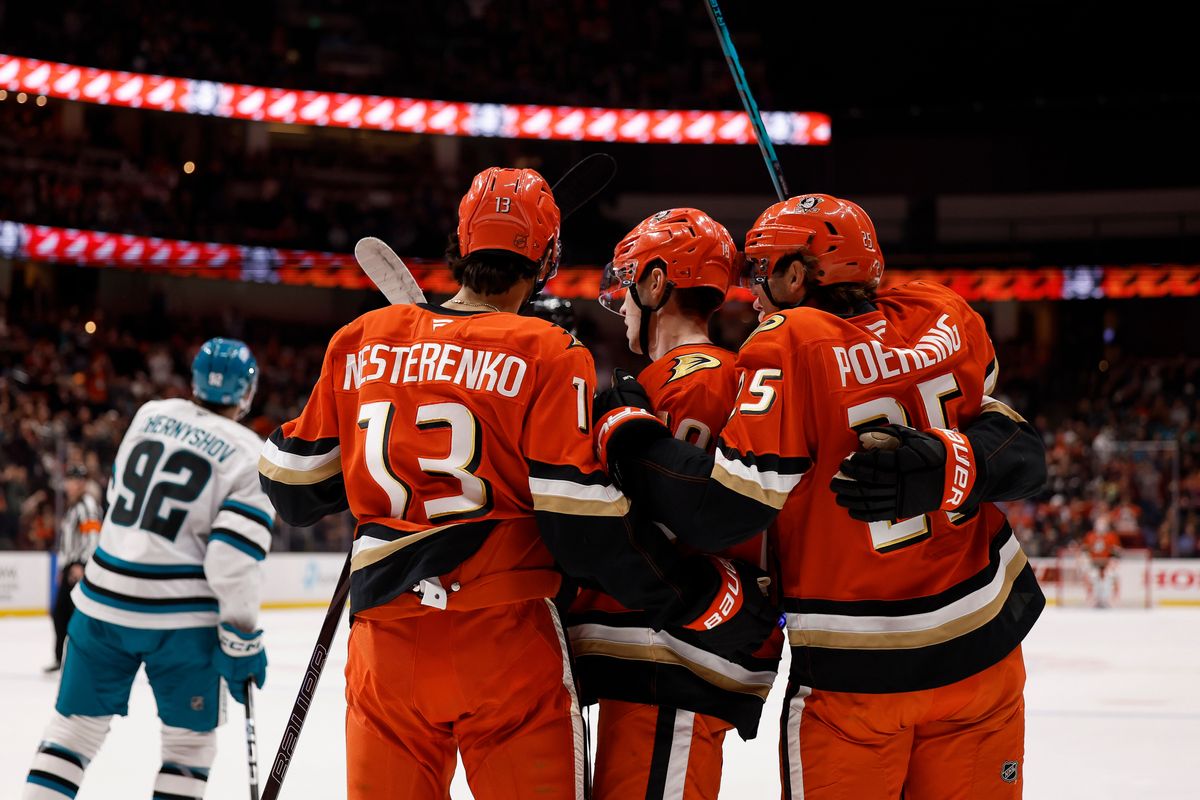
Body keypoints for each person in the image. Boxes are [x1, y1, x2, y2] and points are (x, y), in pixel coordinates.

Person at [258, 167, 777, 800]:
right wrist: (695, 595)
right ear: (547, 261)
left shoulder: (360, 340)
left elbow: (292, 489)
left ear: (461, 244)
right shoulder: (548, 349)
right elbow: (582, 529)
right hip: (507, 639)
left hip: (385, 644)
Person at [592, 194, 1048, 799]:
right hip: (985, 649)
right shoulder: (939, 310)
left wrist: (629, 432)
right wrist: (950, 463)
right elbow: (1017, 445)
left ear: (795, 276)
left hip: (857, 672)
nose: (751, 294)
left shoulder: (787, 339)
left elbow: (723, 510)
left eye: (761, 271)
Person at [573, 207, 784, 800]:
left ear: (656, 283)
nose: (621, 304)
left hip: (670, 653)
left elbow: (655, 519)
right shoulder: (738, 374)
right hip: (679, 652)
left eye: (627, 283)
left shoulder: (680, 382)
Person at [24, 338, 273, 800]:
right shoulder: (250, 453)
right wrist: (242, 637)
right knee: (188, 748)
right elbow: (230, 560)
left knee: (71, 735)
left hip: (101, 600)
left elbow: (117, 492)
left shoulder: (150, 414)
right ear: (247, 392)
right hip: (181, 619)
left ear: (195, 382)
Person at [45, 463, 103, 672]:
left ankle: (79, 661)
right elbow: (67, 542)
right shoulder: (74, 506)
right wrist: (63, 568)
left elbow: (93, 537)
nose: (70, 485)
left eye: (74, 480)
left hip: (79, 566)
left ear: (81, 483)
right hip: (70, 566)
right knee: (60, 613)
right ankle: (61, 658)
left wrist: (82, 564)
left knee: (74, 615)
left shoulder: (87, 505)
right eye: (69, 480)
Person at [1081, 515, 1122, 607]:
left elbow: (1116, 551)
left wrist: (1113, 562)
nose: (1100, 526)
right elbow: (1084, 550)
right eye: (1099, 523)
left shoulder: (1111, 536)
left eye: (1103, 524)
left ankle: (1108, 599)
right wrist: (1085, 560)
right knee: (1093, 576)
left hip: (1107, 563)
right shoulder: (1090, 536)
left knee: (1110, 576)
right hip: (1093, 562)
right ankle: (1094, 598)